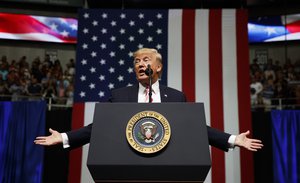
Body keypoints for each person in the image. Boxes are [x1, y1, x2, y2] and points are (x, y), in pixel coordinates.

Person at [35, 48, 263, 152]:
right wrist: (64, 137)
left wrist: (233, 139)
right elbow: (98, 128)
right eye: (136, 61)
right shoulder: (120, 95)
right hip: (126, 165)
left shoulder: (175, 97)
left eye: (145, 60)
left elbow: (196, 129)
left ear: (158, 67)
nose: (140, 64)